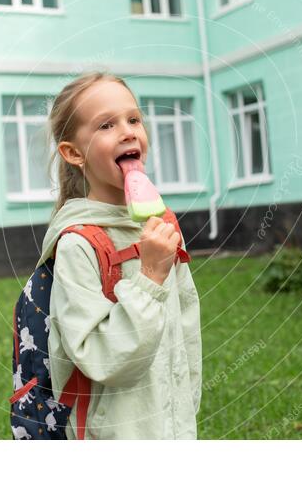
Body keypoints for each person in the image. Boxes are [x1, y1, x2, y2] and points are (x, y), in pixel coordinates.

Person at [34, 72, 202, 439]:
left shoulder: (162, 224)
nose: (128, 131)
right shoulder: (78, 244)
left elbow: (185, 330)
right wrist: (150, 278)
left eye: (134, 119)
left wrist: (185, 409)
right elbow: (100, 358)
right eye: (106, 125)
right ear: (73, 153)